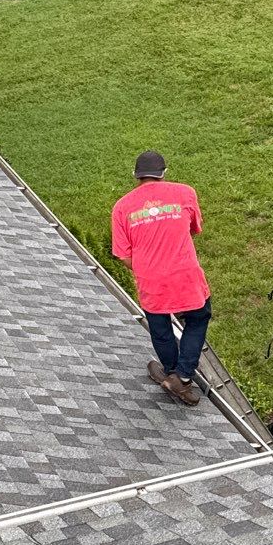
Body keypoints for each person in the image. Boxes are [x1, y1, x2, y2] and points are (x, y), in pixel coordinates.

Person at [111, 151, 211, 408]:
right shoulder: (185, 193)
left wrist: (147, 267)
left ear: (136, 175)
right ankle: (182, 376)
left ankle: (171, 372)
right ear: (164, 172)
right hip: (185, 275)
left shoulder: (122, 207)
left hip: (151, 281)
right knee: (198, 318)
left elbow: (122, 254)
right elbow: (193, 228)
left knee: (160, 328)